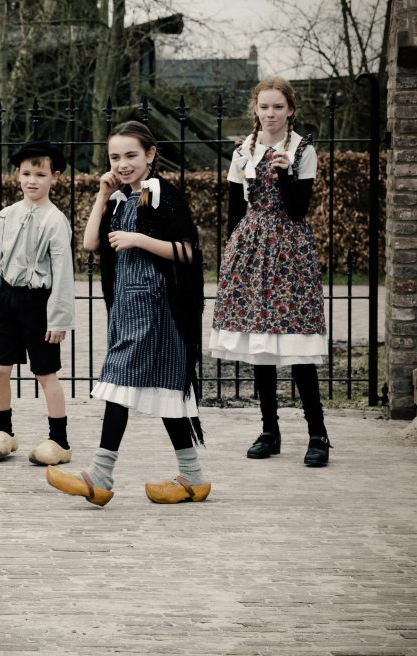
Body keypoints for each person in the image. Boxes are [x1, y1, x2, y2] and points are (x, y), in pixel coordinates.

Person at [46, 121, 209, 506]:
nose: (123, 164)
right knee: (167, 392)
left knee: (118, 384)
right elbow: (89, 244)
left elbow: (189, 252)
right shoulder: (120, 200)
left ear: (151, 155)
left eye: (131, 155)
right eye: (115, 157)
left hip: (159, 310)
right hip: (127, 309)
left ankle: (100, 476)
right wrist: (102, 197)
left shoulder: (162, 195)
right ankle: (194, 477)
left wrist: (139, 239)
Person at [209, 77, 331, 467]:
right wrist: (232, 257)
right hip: (251, 249)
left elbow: (298, 209)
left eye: (278, 107)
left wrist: (285, 172)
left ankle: (318, 434)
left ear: (290, 109)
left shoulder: (302, 150)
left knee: (297, 347)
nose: (271, 114)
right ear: (256, 110)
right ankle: (269, 431)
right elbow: (233, 210)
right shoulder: (243, 151)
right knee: (261, 346)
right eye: (264, 107)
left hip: (290, 252)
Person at [0, 141, 75, 466]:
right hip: (8, 299)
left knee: (45, 373)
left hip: (39, 304)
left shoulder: (55, 220)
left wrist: (59, 318)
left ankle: (59, 441)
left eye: (40, 174)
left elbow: (63, 272)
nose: (32, 180)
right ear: (17, 176)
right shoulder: (6, 216)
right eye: (26, 173)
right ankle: (3, 433)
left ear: (55, 178)